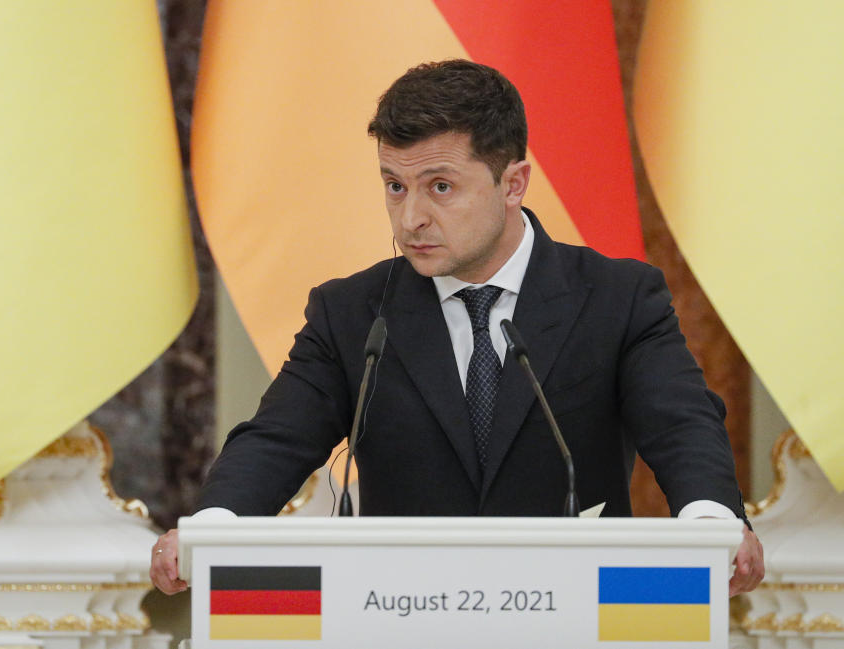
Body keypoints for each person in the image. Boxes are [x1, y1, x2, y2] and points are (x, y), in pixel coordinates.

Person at [150, 60, 764, 596]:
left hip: (576, 611)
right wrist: (214, 527)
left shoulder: (617, 298)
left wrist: (714, 523)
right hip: (395, 611)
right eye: (395, 186)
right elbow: (276, 440)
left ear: (513, 183)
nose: (411, 217)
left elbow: (682, 424)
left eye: (440, 187)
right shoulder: (353, 312)